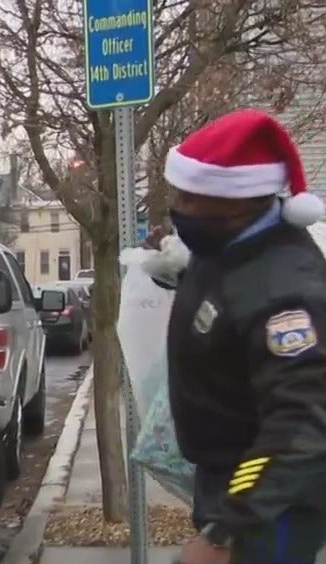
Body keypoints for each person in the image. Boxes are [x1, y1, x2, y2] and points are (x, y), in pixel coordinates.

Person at [144, 110, 326, 564]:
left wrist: (226, 528)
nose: (179, 208)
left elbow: (298, 428)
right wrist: (177, 274)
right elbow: (225, 300)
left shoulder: (286, 294)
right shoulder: (229, 245)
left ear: (237, 202)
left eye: (192, 198)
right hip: (227, 481)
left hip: (272, 507)